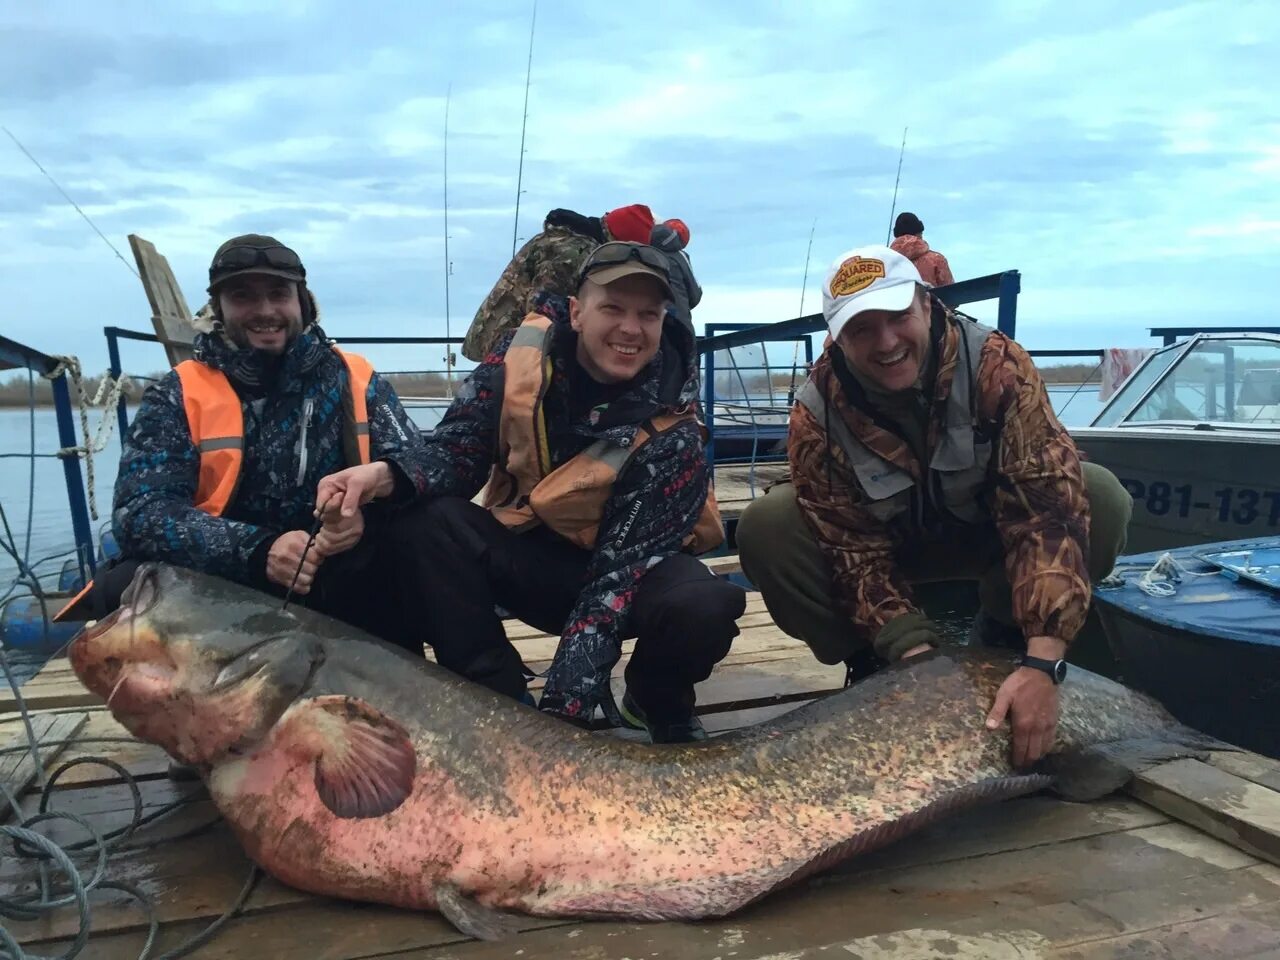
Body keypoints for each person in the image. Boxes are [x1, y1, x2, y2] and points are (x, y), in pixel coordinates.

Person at [316, 241, 745, 743]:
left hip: (628, 580)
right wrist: (384, 476)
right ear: (577, 312)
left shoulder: (677, 430)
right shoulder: (516, 361)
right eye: (613, 308)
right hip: (531, 559)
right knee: (426, 523)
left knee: (704, 603)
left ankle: (654, 699)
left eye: (647, 314)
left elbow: (616, 581)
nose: (630, 329)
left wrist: (561, 729)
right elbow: (459, 451)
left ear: (663, 321)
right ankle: (497, 699)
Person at [735, 245, 1133, 769]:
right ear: (836, 337)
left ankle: (1004, 631)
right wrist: (918, 664)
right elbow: (850, 550)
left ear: (926, 304)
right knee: (768, 525)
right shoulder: (816, 412)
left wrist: (1043, 661)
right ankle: (873, 665)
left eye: (897, 316)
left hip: (987, 539)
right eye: (861, 329)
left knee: (1098, 494)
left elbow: (1045, 512)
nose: (886, 342)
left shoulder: (999, 366)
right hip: (892, 546)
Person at [56, 234, 434, 653]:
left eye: (278, 294)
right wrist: (259, 552)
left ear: (303, 303)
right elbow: (139, 515)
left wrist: (367, 515)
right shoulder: (178, 392)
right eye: (243, 296)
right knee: (124, 583)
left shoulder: (356, 377)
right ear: (220, 309)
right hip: (223, 585)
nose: (265, 311)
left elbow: (420, 465)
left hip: (344, 569)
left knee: (425, 531)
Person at [462, 203, 698, 362]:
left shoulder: (573, 240)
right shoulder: (573, 252)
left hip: (505, 341)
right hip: (510, 348)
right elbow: (542, 313)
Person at [889, 212, 954, 287]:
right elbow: (951, 294)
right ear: (919, 234)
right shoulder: (937, 260)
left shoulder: (884, 263)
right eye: (921, 233)